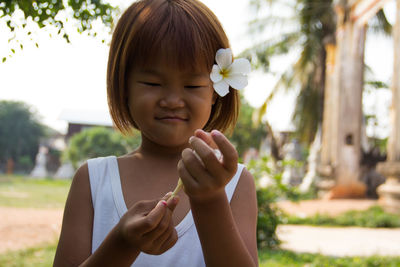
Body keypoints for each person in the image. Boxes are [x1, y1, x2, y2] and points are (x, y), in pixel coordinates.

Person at [53, 0, 258, 266]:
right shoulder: (93, 181)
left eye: (193, 85)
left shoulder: (235, 183)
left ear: (216, 93)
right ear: (123, 87)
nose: (173, 100)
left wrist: (210, 200)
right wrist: (121, 243)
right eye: (152, 82)